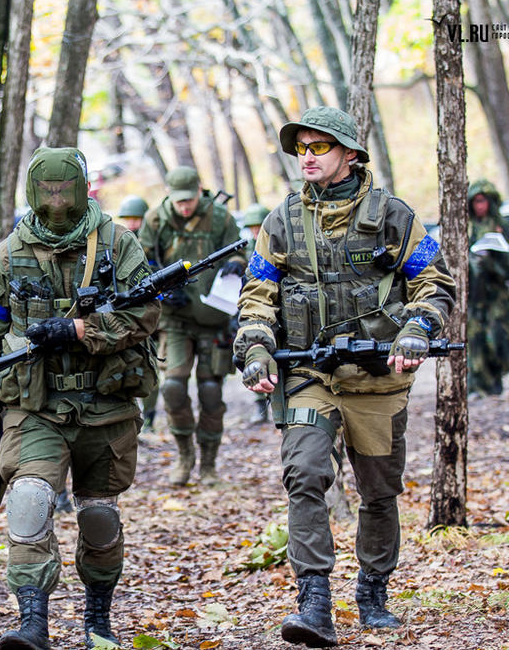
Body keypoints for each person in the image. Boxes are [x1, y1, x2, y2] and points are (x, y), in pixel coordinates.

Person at [234, 107, 456, 647]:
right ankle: (313, 603)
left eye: (320, 148)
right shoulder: (281, 221)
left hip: (378, 380)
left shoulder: (393, 216)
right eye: (301, 148)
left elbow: (433, 282)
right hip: (310, 373)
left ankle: (373, 590)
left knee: (379, 492)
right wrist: (257, 348)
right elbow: (257, 296)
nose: (307, 157)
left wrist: (417, 331)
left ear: (350, 155)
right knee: (305, 474)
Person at [0, 147, 160, 650]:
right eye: (46, 190)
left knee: (98, 516)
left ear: (82, 187)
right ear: (33, 192)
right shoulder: (8, 253)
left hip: (107, 404)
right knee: (29, 502)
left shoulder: (119, 245)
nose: (56, 200)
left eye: (63, 189)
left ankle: (98, 617)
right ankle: (33, 623)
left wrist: (80, 329)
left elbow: (144, 316)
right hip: (35, 408)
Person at [138, 166, 246, 486]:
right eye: (179, 200)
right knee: (172, 386)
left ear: (200, 191)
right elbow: (141, 262)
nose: (185, 206)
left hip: (213, 315)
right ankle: (184, 455)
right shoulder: (156, 220)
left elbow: (243, 251)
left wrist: (235, 265)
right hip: (174, 318)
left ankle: (209, 464)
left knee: (211, 391)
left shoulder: (220, 217)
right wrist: (161, 289)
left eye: (190, 199)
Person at [467, 179, 509, 397]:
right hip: (474, 294)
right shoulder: (468, 227)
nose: (479, 206)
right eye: (475, 202)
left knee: (498, 338)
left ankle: (496, 381)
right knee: (475, 339)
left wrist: (496, 258)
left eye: (483, 201)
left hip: (496, 294)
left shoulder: (502, 226)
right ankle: (477, 386)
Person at [116, 195, 162, 434]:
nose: (132, 224)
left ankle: (151, 418)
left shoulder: (154, 242)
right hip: (123, 318)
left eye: (136, 219)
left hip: (152, 318)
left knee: (150, 366)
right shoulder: (117, 245)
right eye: (128, 219)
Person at [242, 203, 272, 424]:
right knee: (254, 354)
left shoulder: (275, 243)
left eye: (258, 226)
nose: (255, 231)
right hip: (248, 306)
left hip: (270, 307)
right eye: (251, 227)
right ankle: (259, 404)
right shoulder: (246, 247)